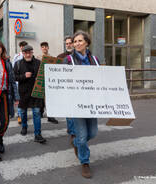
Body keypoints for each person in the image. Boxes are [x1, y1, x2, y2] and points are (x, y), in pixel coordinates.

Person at [64, 31, 99, 178]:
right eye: (75, 41)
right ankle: (85, 162)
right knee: (83, 136)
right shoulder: (68, 60)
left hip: (92, 103)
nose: (76, 44)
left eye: (79, 41)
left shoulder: (95, 59)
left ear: (86, 42)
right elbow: (63, 81)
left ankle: (76, 142)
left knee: (93, 133)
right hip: (76, 104)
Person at [14, 45, 46, 143]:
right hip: (23, 93)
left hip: (36, 93)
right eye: (25, 53)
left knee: (36, 112)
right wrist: (24, 76)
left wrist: (39, 79)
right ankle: (24, 127)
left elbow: (43, 75)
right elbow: (14, 77)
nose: (28, 54)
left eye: (29, 52)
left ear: (32, 52)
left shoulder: (38, 63)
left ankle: (38, 134)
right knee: (23, 112)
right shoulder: (18, 64)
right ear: (23, 53)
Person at [37, 42, 59, 124]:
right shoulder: (38, 57)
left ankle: (50, 116)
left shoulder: (52, 58)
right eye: (42, 47)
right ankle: (41, 112)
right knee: (40, 97)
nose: (44, 48)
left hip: (49, 79)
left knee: (49, 98)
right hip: (40, 79)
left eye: (46, 47)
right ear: (41, 48)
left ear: (48, 47)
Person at [12, 41, 28, 124]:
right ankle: (19, 115)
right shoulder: (16, 56)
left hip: (27, 81)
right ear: (20, 47)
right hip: (19, 82)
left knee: (25, 99)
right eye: (21, 46)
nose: (23, 47)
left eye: (24, 46)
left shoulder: (29, 55)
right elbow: (13, 69)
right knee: (19, 99)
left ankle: (23, 114)